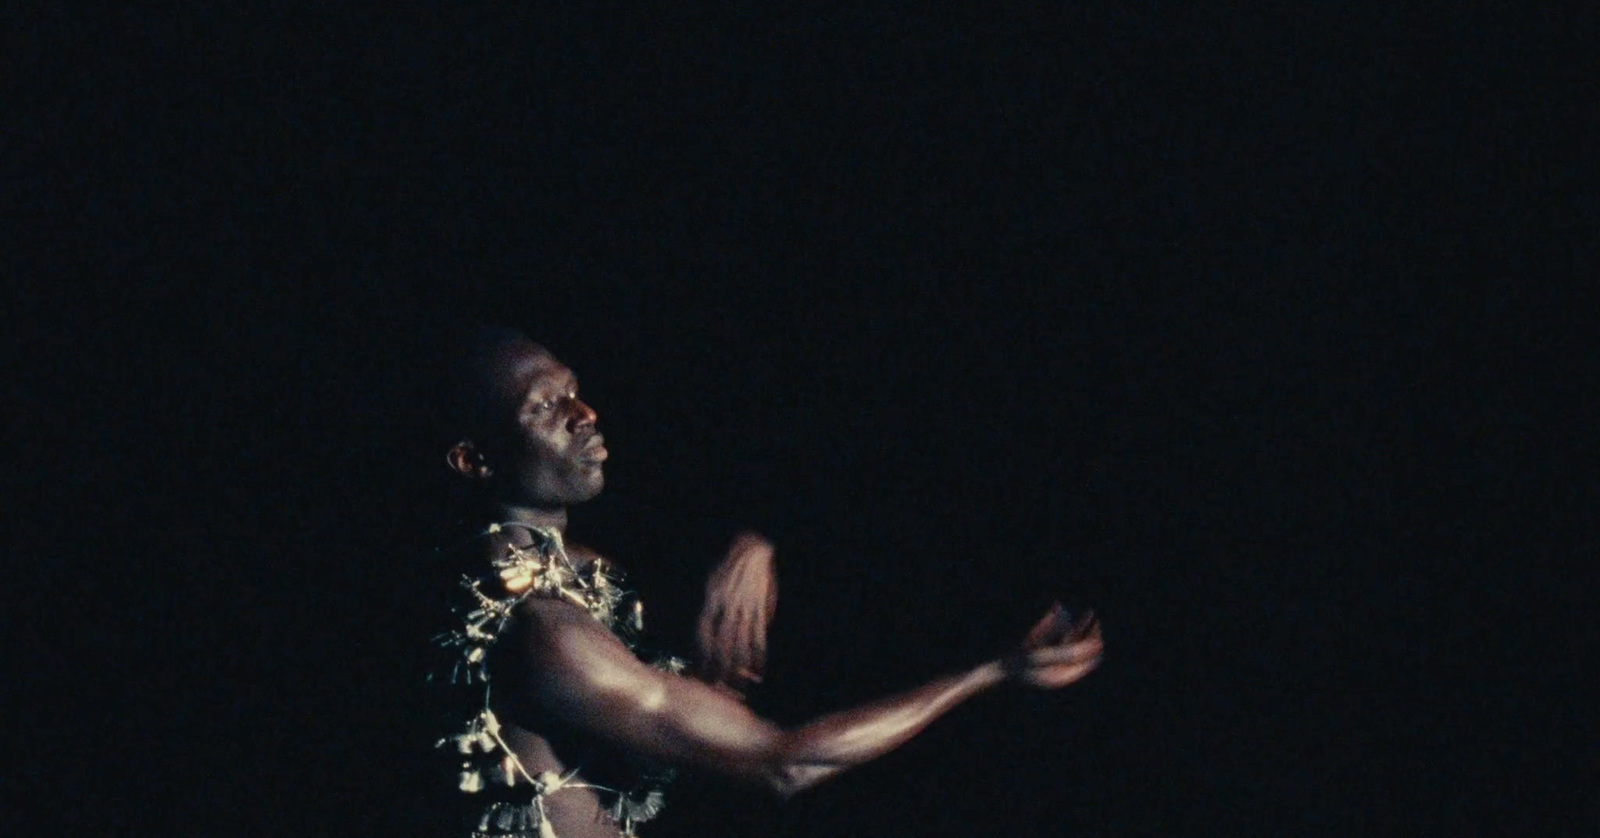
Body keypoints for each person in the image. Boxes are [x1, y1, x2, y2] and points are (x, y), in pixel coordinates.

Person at [432, 328, 1103, 838]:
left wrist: (754, 549)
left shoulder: (585, 569)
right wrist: (996, 670)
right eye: (544, 408)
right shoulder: (540, 625)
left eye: (574, 390)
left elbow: (643, 727)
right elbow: (787, 765)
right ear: (473, 460)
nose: (585, 415)